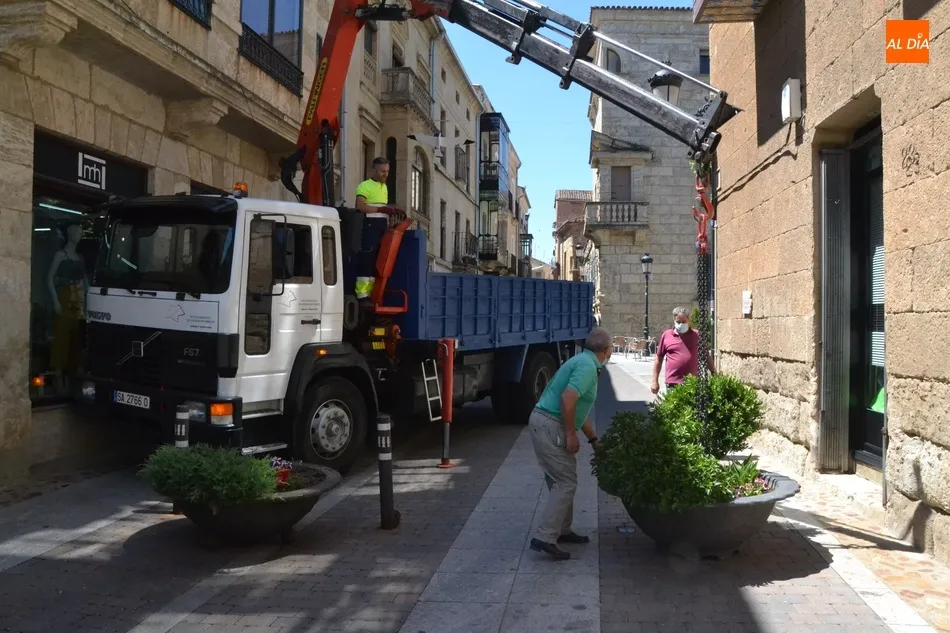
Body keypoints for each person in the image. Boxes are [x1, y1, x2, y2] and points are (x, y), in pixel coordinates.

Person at [528, 327, 612, 561]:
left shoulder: (583, 361)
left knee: (561, 479)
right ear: (607, 350)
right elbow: (568, 399)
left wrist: (593, 439)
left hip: (545, 423)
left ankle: (562, 530)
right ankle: (545, 536)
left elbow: (578, 410)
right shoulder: (587, 367)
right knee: (566, 482)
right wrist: (571, 435)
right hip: (550, 424)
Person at [650, 306, 716, 395]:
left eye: (683, 322)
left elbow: (706, 355)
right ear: (674, 319)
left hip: (692, 382)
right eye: (678, 322)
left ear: (689, 320)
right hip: (673, 383)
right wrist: (655, 381)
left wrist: (713, 373)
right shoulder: (667, 335)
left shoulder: (697, 335)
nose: (681, 324)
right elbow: (659, 359)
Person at [353, 157, 391, 301]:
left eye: (387, 171)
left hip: (382, 225)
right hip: (369, 225)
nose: (385, 174)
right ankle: (362, 294)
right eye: (382, 171)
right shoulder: (364, 186)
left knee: (377, 260)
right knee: (367, 258)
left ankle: (372, 293)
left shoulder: (385, 186)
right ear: (374, 170)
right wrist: (381, 208)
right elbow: (360, 206)